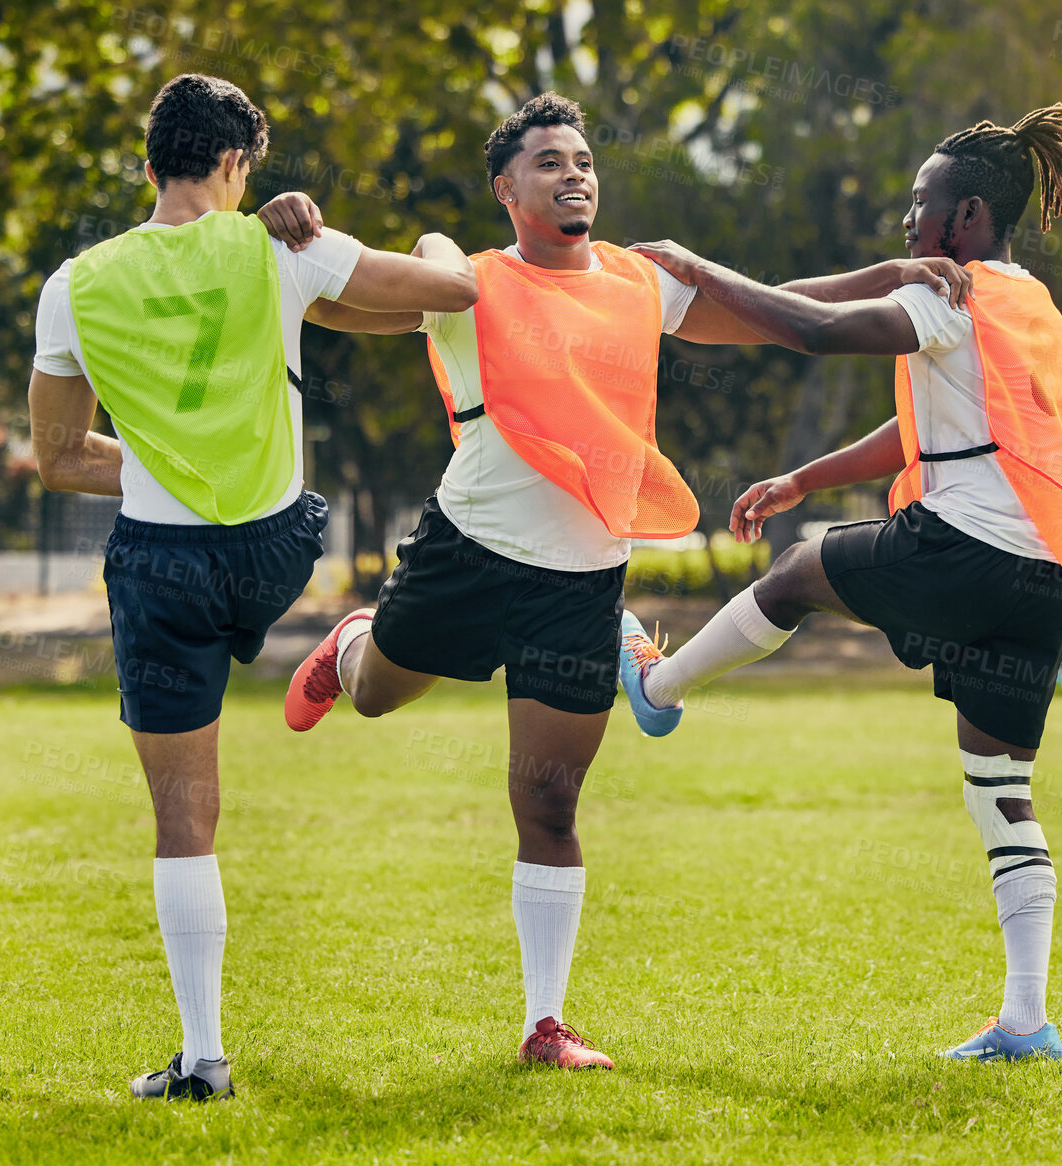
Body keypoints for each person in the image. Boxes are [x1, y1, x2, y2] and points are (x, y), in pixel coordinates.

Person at [281, 92, 972, 1069]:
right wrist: (296, 242)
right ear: (506, 189)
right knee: (376, 695)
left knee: (550, 805)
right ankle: (352, 639)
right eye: (549, 162)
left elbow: (778, 303)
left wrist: (893, 272)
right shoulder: (465, 283)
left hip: (582, 576)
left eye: (583, 161)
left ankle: (543, 1022)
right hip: (465, 555)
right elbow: (333, 300)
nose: (574, 174)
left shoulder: (636, 280)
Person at [619, 104, 1062, 1062]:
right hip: (1047, 579)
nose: (906, 220)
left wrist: (692, 263)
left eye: (919, 203)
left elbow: (811, 328)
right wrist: (806, 477)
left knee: (801, 570)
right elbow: (924, 429)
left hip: (966, 549)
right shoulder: (1029, 305)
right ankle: (1025, 1022)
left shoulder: (949, 291)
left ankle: (656, 689)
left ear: (966, 216)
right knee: (999, 788)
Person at [27, 73, 478, 1101]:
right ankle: (352, 643)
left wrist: (153, 459)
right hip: (276, 552)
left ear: (150, 165)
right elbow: (451, 297)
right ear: (237, 164)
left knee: (185, 817)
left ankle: (204, 1057)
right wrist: (428, 249)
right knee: (325, 354)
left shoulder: (74, 284)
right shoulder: (280, 248)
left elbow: (56, 457)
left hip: (159, 565)